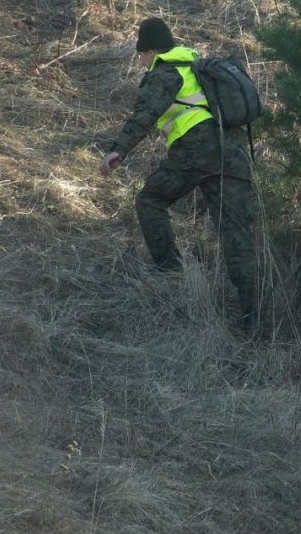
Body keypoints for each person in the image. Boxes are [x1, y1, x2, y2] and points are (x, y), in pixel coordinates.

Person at [98, 17, 259, 330]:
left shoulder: (166, 70)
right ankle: (252, 317)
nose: (141, 61)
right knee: (236, 233)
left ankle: (171, 273)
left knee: (149, 200)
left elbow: (145, 114)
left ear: (149, 51)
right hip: (234, 153)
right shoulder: (197, 66)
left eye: (141, 55)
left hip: (197, 150)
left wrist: (119, 149)